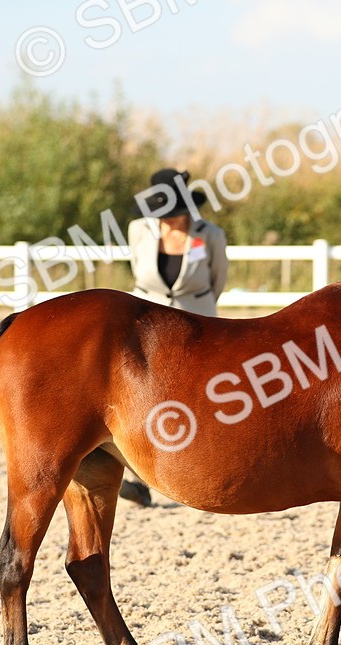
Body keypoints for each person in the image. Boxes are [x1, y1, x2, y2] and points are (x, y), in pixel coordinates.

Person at [120, 168, 230, 505]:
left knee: (196, 399)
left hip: (197, 325)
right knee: (144, 399)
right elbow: (137, 271)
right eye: (164, 214)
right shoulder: (139, 230)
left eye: (176, 213)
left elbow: (218, 280)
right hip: (147, 329)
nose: (172, 220)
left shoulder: (209, 235)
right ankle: (139, 478)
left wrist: (199, 308)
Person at [128, 168, 229, 316]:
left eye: (174, 211)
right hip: (146, 318)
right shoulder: (138, 229)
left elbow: (219, 277)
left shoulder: (212, 234)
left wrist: (199, 304)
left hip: (199, 318)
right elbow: (136, 268)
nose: (168, 217)